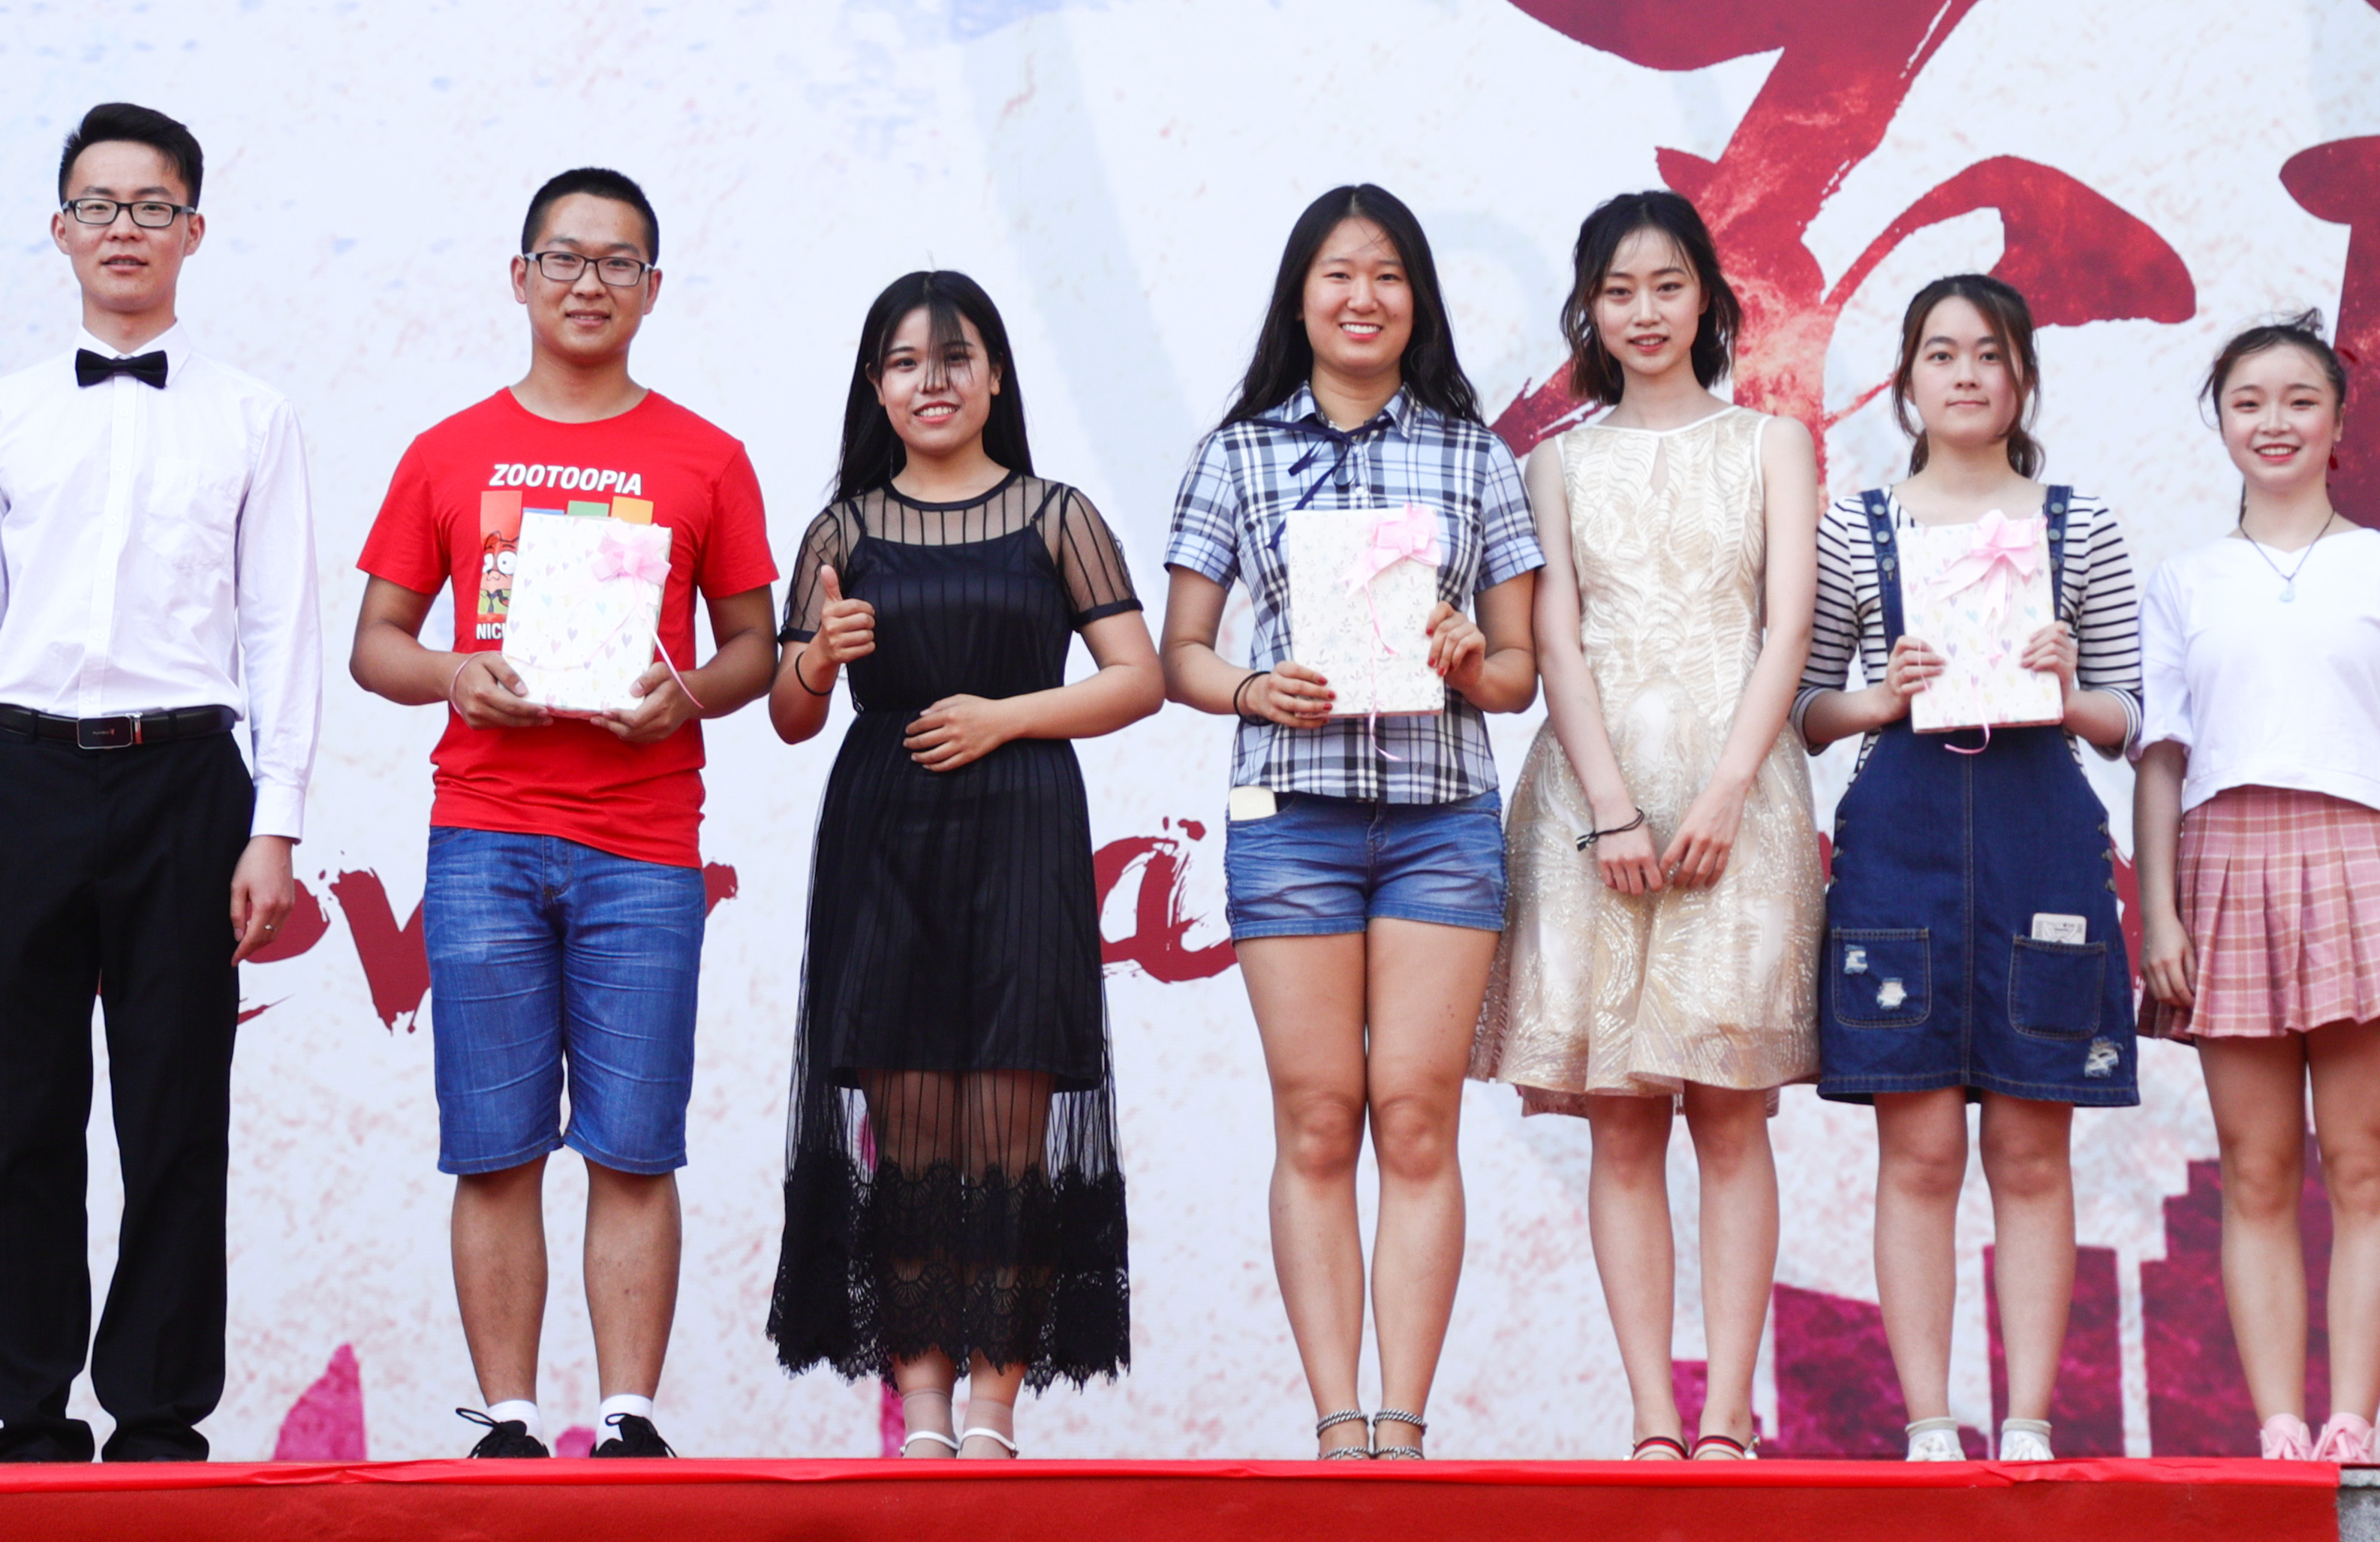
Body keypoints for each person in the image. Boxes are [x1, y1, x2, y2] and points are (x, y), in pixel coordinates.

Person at [0, 104, 326, 1463]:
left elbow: (281, 625)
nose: (124, 229)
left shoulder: (255, 416)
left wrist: (276, 821)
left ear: (194, 230)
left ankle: (156, 1409)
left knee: (175, 1109)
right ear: (60, 228)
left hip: (188, 780)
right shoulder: (2, 414)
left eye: (152, 206)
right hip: (21, 778)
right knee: (20, 1112)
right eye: (99, 205)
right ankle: (27, 1408)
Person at [351, 167, 778, 1461]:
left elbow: (755, 648)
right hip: (483, 831)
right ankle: (511, 1418)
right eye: (564, 257)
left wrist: (684, 692)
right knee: (494, 1143)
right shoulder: (446, 449)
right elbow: (377, 642)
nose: (588, 282)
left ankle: (629, 1416)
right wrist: (454, 672)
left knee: (635, 1143)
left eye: (616, 262)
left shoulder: (708, 456)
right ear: (520, 274)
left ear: (653, 288)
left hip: (645, 843)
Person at [1159, 185, 1542, 1462]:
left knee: (1417, 1115)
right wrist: (1250, 687)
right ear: (1301, 296)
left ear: (1417, 298)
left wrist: (1470, 652)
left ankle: (1405, 1427)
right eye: (1338, 273)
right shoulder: (1236, 453)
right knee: (1318, 1116)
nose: (1363, 296)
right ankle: (1337, 1425)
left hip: (1440, 819)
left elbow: (1516, 675)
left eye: (1387, 274)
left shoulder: (1476, 455)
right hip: (1292, 821)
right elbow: (1182, 651)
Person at [766, 271, 1163, 1457]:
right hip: (886, 833)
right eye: (903, 361)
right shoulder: (841, 530)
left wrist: (1006, 716)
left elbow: (1137, 678)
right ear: (876, 385)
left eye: (953, 357)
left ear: (995, 376)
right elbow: (789, 714)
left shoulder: (1058, 515)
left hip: (1022, 824)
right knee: (911, 1138)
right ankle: (925, 1416)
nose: (929, 381)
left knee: (1006, 1134)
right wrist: (819, 659)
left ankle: (994, 1415)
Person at [1473, 192, 1822, 1459]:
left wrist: (1727, 791)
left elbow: (1788, 628)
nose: (1645, 311)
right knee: (1620, 1120)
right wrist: (1611, 806)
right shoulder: (1555, 462)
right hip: (1590, 809)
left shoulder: (1772, 443)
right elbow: (1556, 642)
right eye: (1618, 290)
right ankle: (1652, 1416)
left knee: (1730, 1110)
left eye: (1668, 285)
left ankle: (1727, 1414)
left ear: (1708, 299)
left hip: (1745, 801)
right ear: (1589, 309)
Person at [1795, 273, 2141, 1465]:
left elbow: (2129, 716)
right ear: (1906, 382)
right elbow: (1807, 710)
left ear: (2023, 375)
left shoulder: (2080, 523)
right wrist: (1879, 694)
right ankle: (1931, 1426)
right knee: (1922, 1151)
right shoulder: (1857, 527)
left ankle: (2031, 1424)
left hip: (2043, 847)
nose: (1966, 374)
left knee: (2034, 1150)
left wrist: (2069, 686)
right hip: (1900, 854)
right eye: (1940, 354)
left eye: (1989, 353)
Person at [2135, 313, 2380, 1467]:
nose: (2273, 422)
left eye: (2299, 400)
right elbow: (2159, 757)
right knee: (2256, 1169)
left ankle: (2354, 1420)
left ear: (2338, 422)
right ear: (2220, 422)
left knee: (2365, 1162)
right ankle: (2281, 1424)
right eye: (2249, 402)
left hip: (2365, 861)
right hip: (2225, 861)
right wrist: (2161, 911)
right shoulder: (2185, 580)